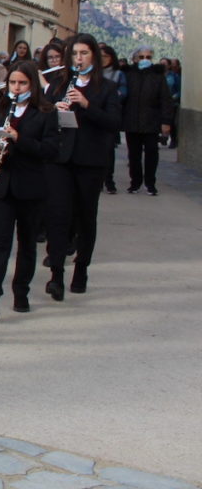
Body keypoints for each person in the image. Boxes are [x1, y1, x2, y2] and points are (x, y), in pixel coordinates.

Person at [0, 62, 59, 318]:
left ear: (32, 85)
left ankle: (20, 293)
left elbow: (51, 150)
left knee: (26, 244)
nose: (16, 88)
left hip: (31, 186)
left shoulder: (46, 111)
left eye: (22, 83)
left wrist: (19, 140)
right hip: (2, 186)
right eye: (12, 83)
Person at [43, 34, 122, 298]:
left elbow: (113, 123)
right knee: (57, 215)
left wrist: (86, 105)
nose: (79, 58)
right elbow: (43, 118)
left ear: (94, 57)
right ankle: (56, 274)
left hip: (90, 160)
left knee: (86, 216)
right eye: (75, 54)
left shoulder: (107, 88)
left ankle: (81, 269)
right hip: (60, 160)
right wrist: (55, 110)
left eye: (84, 53)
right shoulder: (57, 84)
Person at [122, 47, 175, 196]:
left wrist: (166, 122)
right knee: (133, 154)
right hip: (131, 121)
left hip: (152, 122)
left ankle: (150, 183)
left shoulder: (157, 76)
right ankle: (135, 183)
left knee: (152, 153)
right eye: (142, 56)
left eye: (148, 57)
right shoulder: (128, 74)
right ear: (135, 59)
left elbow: (166, 99)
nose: (145, 59)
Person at [99, 44, 127, 194]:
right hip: (94, 114)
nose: (103, 59)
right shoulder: (93, 73)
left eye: (106, 56)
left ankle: (109, 180)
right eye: (100, 56)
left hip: (110, 115)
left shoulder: (118, 74)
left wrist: (110, 96)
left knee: (109, 150)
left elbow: (123, 92)